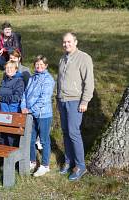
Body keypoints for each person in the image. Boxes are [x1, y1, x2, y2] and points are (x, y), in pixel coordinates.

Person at [57, 32, 94, 181]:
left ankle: (80, 166)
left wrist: (85, 101)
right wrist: (58, 97)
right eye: (64, 42)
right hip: (62, 100)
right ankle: (68, 160)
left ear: (76, 42)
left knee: (74, 133)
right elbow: (60, 80)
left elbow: (89, 82)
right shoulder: (62, 58)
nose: (66, 44)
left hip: (75, 101)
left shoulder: (84, 58)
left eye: (69, 41)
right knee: (66, 132)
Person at [21, 55, 55, 177]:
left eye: (41, 64)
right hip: (30, 114)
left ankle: (45, 165)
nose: (39, 66)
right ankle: (32, 161)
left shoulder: (48, 79)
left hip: (43, 115)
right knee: (31, 139)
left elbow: (44, 99)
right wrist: (24, 107)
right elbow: (25, 94)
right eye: (37, 64)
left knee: (44, 140)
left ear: (45, 66)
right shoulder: (32, 78)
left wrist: (30, 109)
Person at [0, 61, 24, 146]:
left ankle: (13, 159)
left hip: (12, 114)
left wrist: (1, 98)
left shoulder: (19, 81)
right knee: (2, 138)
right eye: (7, 68)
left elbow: (16, 98)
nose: (9, 69)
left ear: (16, 69)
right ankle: (2, 158)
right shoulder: (5, 80)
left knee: (11, 139)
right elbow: (3, 94)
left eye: (11, 67)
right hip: (2, 112)